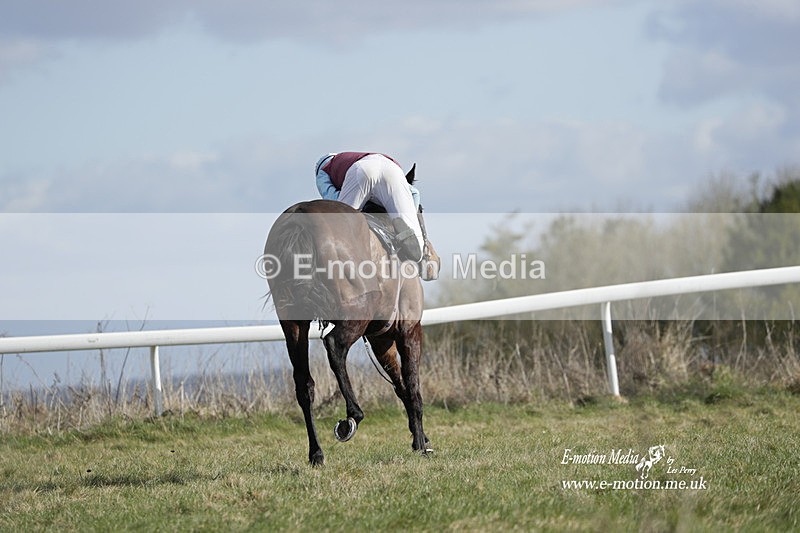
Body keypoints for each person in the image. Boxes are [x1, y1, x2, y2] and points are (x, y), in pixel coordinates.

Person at [315, 151, 424, 262]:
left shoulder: (322, 171)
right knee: (416, 244)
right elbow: (414, 193)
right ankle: (412, 238)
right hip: (392, 169)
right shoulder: (352, 157)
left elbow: (333, 200)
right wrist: (409, 215)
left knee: (341, 224)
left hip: (361, 170)